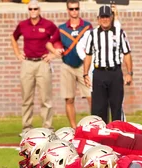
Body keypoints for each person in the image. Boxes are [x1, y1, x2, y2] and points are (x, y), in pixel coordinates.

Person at [11, 0, 61, 135]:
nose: (33, 11)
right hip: (27, 63)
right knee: (27, 98)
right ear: (28, 10)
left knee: (46, 98)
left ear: (39, 10)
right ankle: (26, 127)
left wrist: (52, 55)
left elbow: (57, 38)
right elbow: (13, 37)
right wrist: (17, 53)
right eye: (30, 9)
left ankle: (48, 128)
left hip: (42, 63)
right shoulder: (23, 25)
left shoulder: (48, 25)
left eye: (35, 9)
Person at [82, 5, 132, 123]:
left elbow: (127, 54)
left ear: (111, 17)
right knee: (99, 109)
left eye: (107, 17)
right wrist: (85, 74)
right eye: (102, 17)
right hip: (99, 73)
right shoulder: (93, 34)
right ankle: (100, 137)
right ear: (98, 18)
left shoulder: (119, 33)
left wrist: (129, 73)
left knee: (116, 107)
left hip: (115, 73)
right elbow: (88, 55)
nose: (105, 19)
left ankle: (117, 137)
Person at [57, 0, 92, 129]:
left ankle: (94, 126)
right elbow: (55, 42)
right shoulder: (62, 28)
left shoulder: (87, 27)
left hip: (84, 66)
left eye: (76, 9)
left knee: (91, 97)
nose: (74, 12)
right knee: (69, 99)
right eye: (71, 9)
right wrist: (56, 49)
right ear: (68, 10)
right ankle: (74, 129)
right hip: (67, 65)